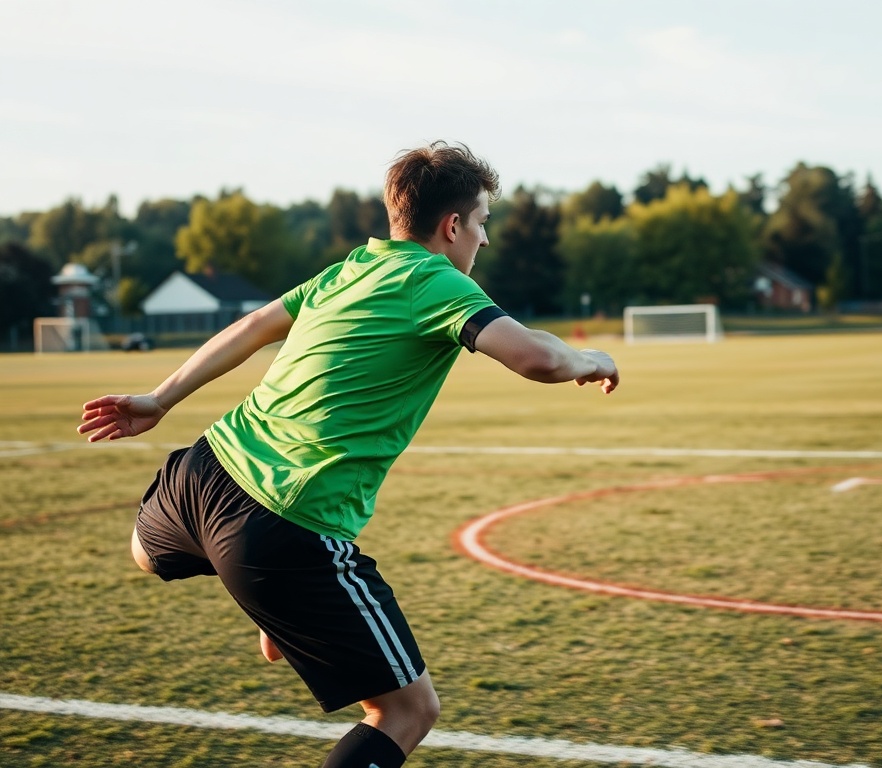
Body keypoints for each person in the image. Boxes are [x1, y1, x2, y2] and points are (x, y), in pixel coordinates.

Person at [77, 140, 619, 768]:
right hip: (282, 526)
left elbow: (253, 326)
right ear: (452, 226)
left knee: (148, 556)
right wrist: (591, 360)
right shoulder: (434, 280)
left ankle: (269, 597)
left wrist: (161, 398)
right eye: (481, 223)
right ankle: (271, 594)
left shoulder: (352, 268)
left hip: (198, 472)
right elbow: (537, 357)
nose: (484, 240)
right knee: (408, 712)